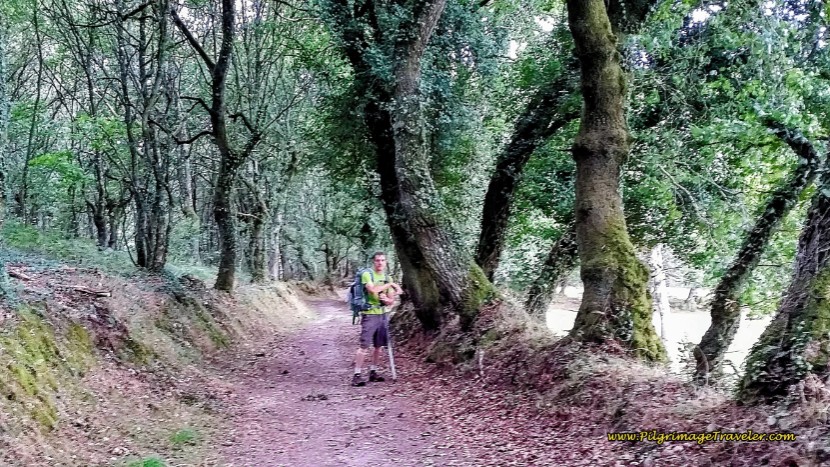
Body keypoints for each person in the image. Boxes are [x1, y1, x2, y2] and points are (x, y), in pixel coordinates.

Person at [352, 251, 403, 387]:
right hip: (369, 314)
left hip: (382, 314)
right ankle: (356, 375)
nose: (380, 263)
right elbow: (372, 290)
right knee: (364, 346)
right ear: (373, 262)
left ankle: (373, 372)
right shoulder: (367, 274)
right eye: (377, 260)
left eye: (382, 260)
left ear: (386, 262)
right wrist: (390, 286)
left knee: (378, 346)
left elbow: (391, 300)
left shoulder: (387, 277)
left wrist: (387, 299)